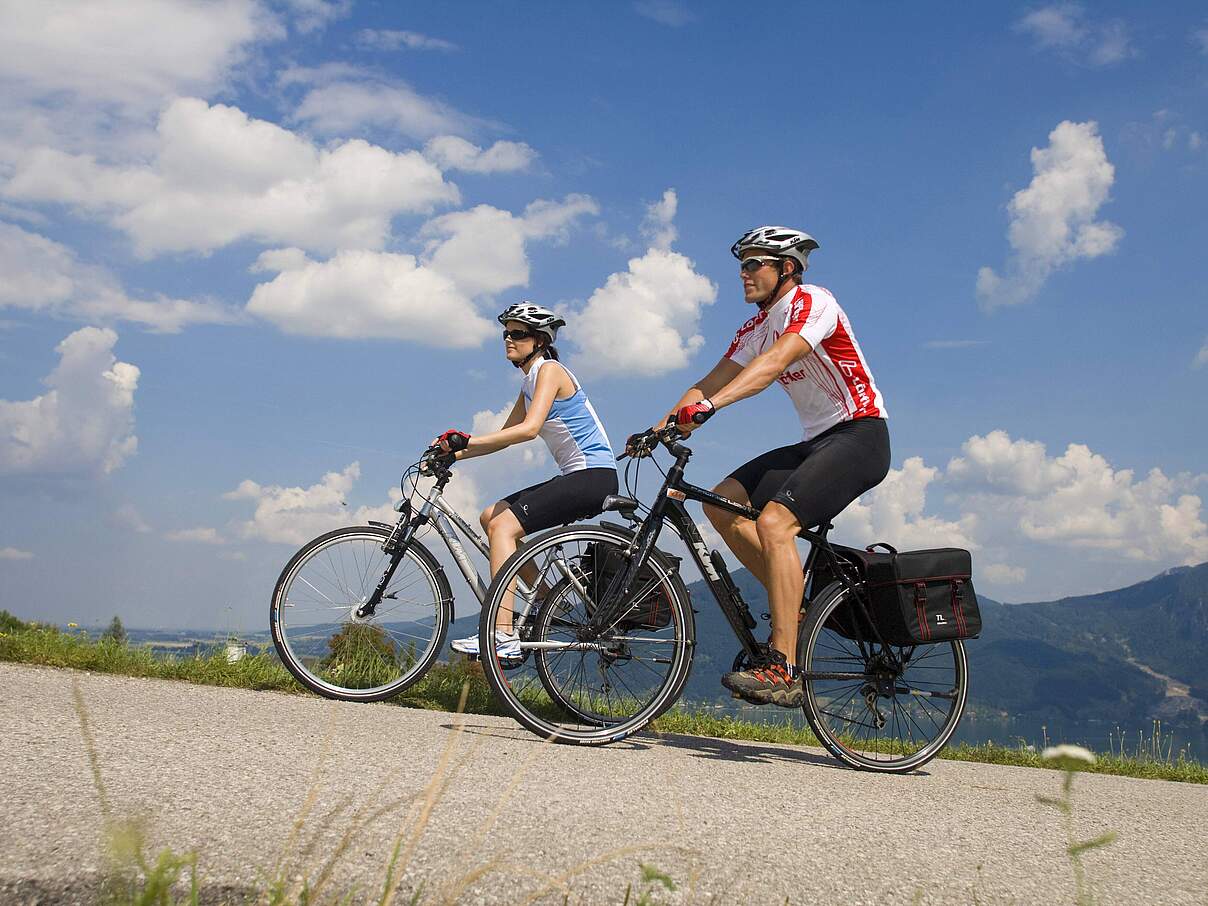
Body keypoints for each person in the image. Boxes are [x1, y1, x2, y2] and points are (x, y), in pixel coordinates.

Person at [628, 226, 889, 707]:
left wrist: (712, 407)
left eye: (755, 264)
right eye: (742, 265)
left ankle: (784, 666)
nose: (744, 274)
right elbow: (709, 381)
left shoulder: (814, 302)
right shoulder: (753, 328)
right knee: (723, 505)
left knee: (774, 522)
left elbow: (772, 365)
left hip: (860, 435)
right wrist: (658, 426)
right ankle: (796, 608)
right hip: (816, 442)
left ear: (786, 268)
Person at [435, 302, 618, 658]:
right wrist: (452, 454)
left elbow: (529, 430)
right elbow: (505, 436)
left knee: (504, 527)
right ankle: (547, 603)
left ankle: (502, 635)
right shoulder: (530, 382)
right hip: (580, 475)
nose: (508, 338)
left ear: (539, 340)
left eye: (517, 333)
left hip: (593, 476)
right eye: (506, 332)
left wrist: (466, 441)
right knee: (491, 515)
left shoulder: (550, 370)